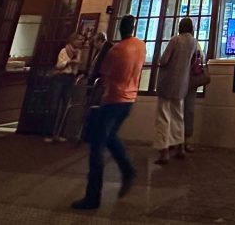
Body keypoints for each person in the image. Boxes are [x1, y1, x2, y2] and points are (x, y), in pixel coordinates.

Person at [72, 16, 146, 211]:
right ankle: (127, 169)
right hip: (129, 100)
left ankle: (93, 195)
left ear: (120, 28)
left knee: (97, 146)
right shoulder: (141, 46)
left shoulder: (116, 50)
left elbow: (104, 73)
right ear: (134, 28)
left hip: (113, 99)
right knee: (110, 137)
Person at [154, 18, 196, 164]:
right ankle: (180, 147)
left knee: (164, 117)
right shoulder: (193, 42)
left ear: (180, 27)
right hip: (182, 85)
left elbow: (163, 60)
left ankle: (164, 151)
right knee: (179, 117)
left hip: (167, 83)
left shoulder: (175, 40)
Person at [47, 32, 83, 143]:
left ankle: (59, 133)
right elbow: (59, 65)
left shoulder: (79, 52)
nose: (81, 41)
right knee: (54, 104)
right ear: (73, 40)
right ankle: (50, 133)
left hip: (70, 78)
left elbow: (77, 66)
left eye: (82, 40)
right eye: (79, 39)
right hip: (60, 77)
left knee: (66, 105)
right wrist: (70, 62)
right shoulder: (64, 50)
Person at [183, 38, 205, 153]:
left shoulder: (176, 42)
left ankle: (176, 141)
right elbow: (202, 59)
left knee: (177, 111)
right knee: (189, 111)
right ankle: (187, 141)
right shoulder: (196, 44)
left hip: (180, 81)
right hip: (192, 81)